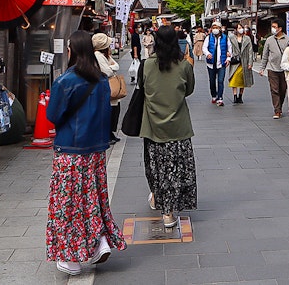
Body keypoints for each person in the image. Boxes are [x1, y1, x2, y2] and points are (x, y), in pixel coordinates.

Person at [45, 31, 126, 275]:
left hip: (71, 150)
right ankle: (100, 241)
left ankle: (71, 258)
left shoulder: (65, 81)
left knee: (68, 203)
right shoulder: (101, 80)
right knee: (93, 199)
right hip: (96, 150)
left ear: (72, 51)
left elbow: (52, 115)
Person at [140, 25, 197, 229]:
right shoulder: (184, 66)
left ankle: (158, 199)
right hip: (178, 127)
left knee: (156, 168)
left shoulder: (147, 65)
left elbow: (143, 88)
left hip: (153, 127)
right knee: (174, 170)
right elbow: (189, 90)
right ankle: (168, 212)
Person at [92, 32, 123, 144]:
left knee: (114, 110)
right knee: (110, 112)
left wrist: (112, 66)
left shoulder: (105, 55)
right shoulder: (98, 56)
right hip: (107, 87)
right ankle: (108, 134)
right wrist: (112, 68)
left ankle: (110, 133)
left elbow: (116, 65)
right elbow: (107, 71)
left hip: (110, 87)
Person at [261, 21, 289, 119]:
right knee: (274, 90)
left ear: (280, 29)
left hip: (284, 69)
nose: (272, 28)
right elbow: (265, 55)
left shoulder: (288, 40)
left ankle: (279, 106)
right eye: (272, 26)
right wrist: (262, 68)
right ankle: (277, 110)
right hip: (272, 68)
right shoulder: (269, 40)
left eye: (274, 27)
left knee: (283, 89)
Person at [202, 20, 230, 106]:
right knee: (212, 81)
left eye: (216, 28)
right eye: (213, 28)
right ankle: (214, 95)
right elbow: (204, 48)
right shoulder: (209, 38)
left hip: (222, 62)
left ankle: (220, 98)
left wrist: (228, 58)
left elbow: (229, 49)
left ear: (220, 29)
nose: (215, 29)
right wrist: (207, 54)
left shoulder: (225, 38)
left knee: (221, 81)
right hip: (211, 63)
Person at [227, 23, 254, 103]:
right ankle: (235, 95)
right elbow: (228, 47)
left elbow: (250, 51)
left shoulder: (247, 38)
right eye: (239, 28)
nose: (241, 29)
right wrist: (228, 53)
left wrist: (250, 62)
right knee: (234, 78)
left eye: (241, 27)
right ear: (235, 29)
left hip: (244, 61)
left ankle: (240, 95)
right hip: (235, 61)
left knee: (243, 79)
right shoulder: (231, 38)